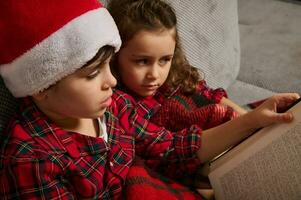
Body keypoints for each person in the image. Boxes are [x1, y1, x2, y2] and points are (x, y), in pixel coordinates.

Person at [0, 1, 298, 200]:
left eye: (109, 65)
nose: (112, 81)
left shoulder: (112, 106)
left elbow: (171, 148)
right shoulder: (31, 159)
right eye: (93, 74)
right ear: (41, 86)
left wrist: (252, 121)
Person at [108, 0, 300, 194]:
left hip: (216, 145)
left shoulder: (173, 74)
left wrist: (255, 125)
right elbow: (171, 149)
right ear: (115, 57)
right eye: (142, 61)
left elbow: (205, 93)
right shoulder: (117, 105)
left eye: (165, 59)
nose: (155, 74)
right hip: (180, 162)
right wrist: (252, 122)